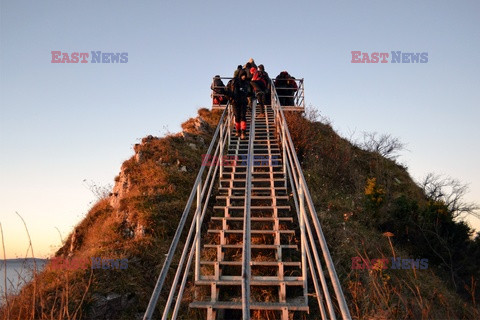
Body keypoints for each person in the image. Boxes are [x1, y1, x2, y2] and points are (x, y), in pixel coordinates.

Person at [226, 69, 250, 139]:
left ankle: (243, 132)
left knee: (243, 116)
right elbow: (233, 92)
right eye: (243, 75)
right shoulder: (235, 82)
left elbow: (248, 93)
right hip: (235, 102)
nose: (244, 77)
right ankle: (238, 131)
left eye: (245, 75)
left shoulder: (246, 83)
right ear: (240, 75)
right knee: (237, 117)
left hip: (243, 102)